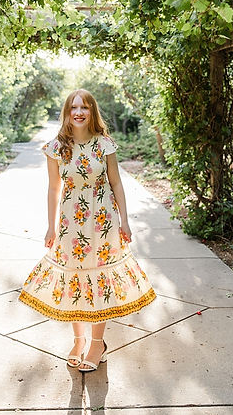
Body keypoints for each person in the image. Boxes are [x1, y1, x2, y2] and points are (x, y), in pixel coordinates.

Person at [18, 89, 156, 372]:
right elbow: (54, 188)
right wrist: (50, 226)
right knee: (75, 279)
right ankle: (78, 340)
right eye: (73, 107)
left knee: (99, 278)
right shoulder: (56, 147)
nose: (78, 112)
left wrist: (125, 221)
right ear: (67, 113)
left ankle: (97, 343)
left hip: (103, 222)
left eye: (84, 108)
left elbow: (116, 183)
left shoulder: (103, 144)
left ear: (92, 112)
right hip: (71, 225)